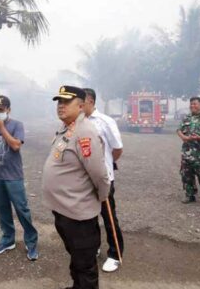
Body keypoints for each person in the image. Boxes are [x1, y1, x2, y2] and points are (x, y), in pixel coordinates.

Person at [42, 85, 111, 289]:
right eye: (59, 101)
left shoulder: (85, 132)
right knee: (77, 258)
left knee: (85, 264)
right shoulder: (68, 128)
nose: (60, 106)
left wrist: (102, 196)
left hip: (78, 214)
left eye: (66, 101)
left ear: (81, 106)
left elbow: (99, 174)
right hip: (64, 210)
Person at [0, 95, 39, 260]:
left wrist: (2, 128)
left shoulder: (17, 125)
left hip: (13, 176)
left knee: (22, 209)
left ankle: (31, 242)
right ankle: (8, 239)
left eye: (1, 109)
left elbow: (16, 145)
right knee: (1, 209)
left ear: (8, 110)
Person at [83, 88, 124, 273]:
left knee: (108, 216)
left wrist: (106, 165)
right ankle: (94, 247)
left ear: (90, 101)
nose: (77, 106)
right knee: (89, 217)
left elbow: (117, 149)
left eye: (80, 102)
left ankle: (115, 254)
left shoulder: (105, 121)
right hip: (84, 179)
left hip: (103, 178)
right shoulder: (77, 122)